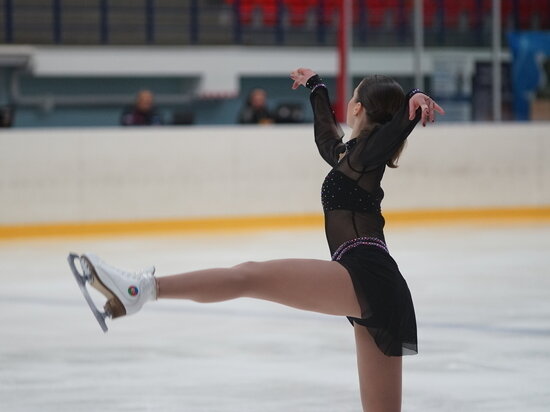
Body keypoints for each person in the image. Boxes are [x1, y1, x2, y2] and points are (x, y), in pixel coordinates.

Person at [70, 68, 443, 412]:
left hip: (368, 274)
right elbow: (326, 138)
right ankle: (140, 291)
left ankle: (139, 290)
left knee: (249, 275)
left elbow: (389, 133)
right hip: (375, 284)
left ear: (357, 106)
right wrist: (317, 88)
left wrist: (411, 104)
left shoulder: (367, 156)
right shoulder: (350, 156)